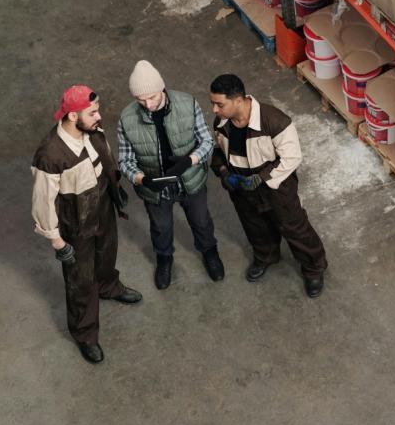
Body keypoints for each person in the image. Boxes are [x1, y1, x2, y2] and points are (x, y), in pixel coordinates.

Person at [31, 85, 142, 364]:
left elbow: (104, 159)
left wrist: (116, 188)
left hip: (103, 209)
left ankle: (108, 287)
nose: (99, 116)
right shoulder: (51, 155)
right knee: (80, 281)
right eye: (92, 112)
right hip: (76, 226)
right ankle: (85, 334)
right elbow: (43, 202)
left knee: (106, 256)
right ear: (71, 116)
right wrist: (57, 241)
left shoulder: (92, 130)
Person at [208, 74, 328, 298]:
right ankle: (266, 256)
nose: (215, 109)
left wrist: (262, 177)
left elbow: (291, 158)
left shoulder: (274, 121)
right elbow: (217, 151)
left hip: (275, 188)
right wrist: (224, 173)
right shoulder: (221, 124)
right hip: (241, 188)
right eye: (212, 103)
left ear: (238, 100)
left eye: (219, 104)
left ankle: (313, 268)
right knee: (255, 225)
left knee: (293, 227)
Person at [117, 60, 224, 290]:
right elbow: (125, 160)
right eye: (140, 100)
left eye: (152, 97)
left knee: (201, 221)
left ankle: (210, 252)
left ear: (162, 89)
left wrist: (190, 160)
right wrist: (141, 179)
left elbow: (206, 140)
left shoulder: (187, 103)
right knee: (161, 228)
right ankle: (164, 260)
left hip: (190, 179)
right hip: (154, 187)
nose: (147, 104)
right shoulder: (126, 119)